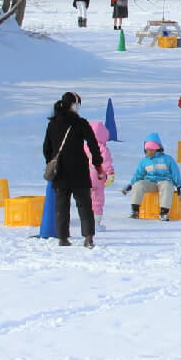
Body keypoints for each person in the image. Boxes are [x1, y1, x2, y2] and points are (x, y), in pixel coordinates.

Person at [43, 92, 102, 247]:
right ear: (72, 105)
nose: (78, 108)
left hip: (60, 171)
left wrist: (51, 162)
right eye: (77, 104)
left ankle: (63, 238)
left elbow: (46, 148)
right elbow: (93, 145)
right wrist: (98, 164)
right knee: (84, 205)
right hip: (79, 171)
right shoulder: (81, 123)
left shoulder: (53, 124)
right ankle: (88, 237)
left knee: (61, 206)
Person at [123, 133, 181, 221]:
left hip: (164, 181)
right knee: (138, 185)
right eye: (147, 150)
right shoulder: (144, 161)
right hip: (150, 182)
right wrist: (130, 185)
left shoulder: (167, 159)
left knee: (167, 186)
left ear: (157, 149)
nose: (149, 152)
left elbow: (175, 173)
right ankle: (135, 212)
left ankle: (164, 213)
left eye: (152, 150)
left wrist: (179, 185)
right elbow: (138, 175)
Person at [85, 117, 115, 226]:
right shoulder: (103, 149)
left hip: (84, 177)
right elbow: (106, 164)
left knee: (85, 200)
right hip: (98, 177)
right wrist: (110, 174)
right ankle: (96, 222)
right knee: (97, 200)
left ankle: (86, 222)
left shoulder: (85, 147)